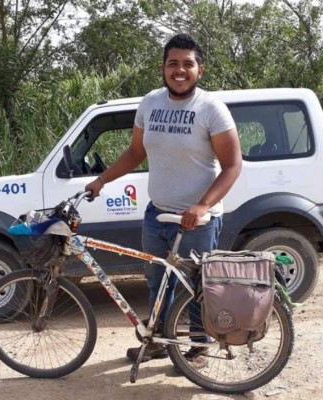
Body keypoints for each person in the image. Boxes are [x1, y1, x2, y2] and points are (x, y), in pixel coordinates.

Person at [85, 33, 242, 364]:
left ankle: (199, 346)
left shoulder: (211, 109)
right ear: (163, 68)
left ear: (200, 69)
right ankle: (157, 340)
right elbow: (135, 152)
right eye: (173, 64)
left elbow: (232, 165)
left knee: (195, 286)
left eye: (188, 64)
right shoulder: (150, 103)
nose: (180, 70)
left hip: (198, 219)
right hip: (157, 214)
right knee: (157, 281)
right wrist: (101, 180)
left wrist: (202, 205)